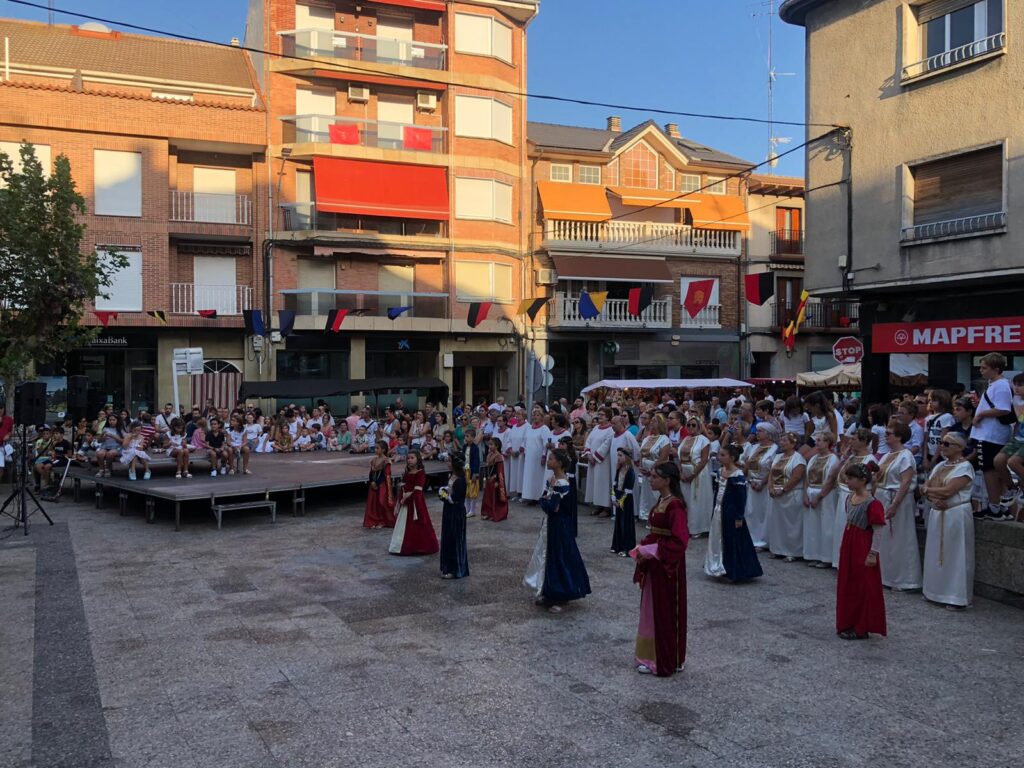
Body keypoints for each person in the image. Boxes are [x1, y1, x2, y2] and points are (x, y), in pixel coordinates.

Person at [633, 461, 689, 676]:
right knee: (652, 609)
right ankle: (651, 654)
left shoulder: (675, 505)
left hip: (667, 566)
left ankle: (665, 658)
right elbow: (658, 532)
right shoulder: (662, 501)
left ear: (667, 480)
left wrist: (653, 550)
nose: (651, 479)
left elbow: (680, 541)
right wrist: (643, 546)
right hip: (655, 563)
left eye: (655, 476)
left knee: (665, 610)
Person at [523, 449, 591, 613]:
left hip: (560, 525)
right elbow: (544, 501)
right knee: (547, 556)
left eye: (551, 459)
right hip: (550, 523)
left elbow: (552, 506)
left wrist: (547, 501)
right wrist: (546, 501)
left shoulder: (562, 483)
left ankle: (562, 595)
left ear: (559, 463)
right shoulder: (551, 480)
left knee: (560, 557)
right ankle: (548, 591)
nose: (548, 461)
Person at [920, 432, 975, 609]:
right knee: (935, 553)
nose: (942, 446)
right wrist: (932, 498)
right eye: (942, 443)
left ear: (959, 447)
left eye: (947, 444)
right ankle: (934, 591)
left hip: (956, 513)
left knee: (956, 555)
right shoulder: (940, 465)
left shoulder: (965, 467)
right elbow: (925, 485)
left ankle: (956, 597)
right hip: (938, 512)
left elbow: (948, 491)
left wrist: (927, 491)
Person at [835, 463, 887, 640]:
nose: (847, 481)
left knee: (862, 585)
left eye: (851, 478)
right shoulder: (850, 498)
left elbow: (878, 530)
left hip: (862, 545)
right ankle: (848, 621)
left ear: (863, 480)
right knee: (848, 582)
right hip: (849, 542)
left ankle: (861, 626)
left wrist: (873, 553)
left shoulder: (873, 503)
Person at [874, 422, 922, 591]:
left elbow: (906, 482)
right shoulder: (887, 456)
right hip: (883, 497)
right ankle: (886, 575)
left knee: (900, 537)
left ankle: (904, 579)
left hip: (898, 499)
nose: (886, 436)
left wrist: (895, 505)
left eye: (889, 433)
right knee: (884, 538)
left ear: (899, 437)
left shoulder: (906, 456)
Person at [705, 444, 762, 582]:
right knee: (718, 537)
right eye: (719, 454)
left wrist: (739, 516)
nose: (719, 457)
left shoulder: (738, 475)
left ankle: (735, 569)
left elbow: (741, 498)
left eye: (723, 455)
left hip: (731, 512)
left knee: (733, 539)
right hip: (719, 510)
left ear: (732, 458)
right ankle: (718, 565)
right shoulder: (720, 471)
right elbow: (717, 492)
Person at [971, 353, 1015, 519]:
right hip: (991, 433)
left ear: (996, 369)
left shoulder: (1001, 385)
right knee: (992, 470)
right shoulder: (996, 384)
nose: (981, 371)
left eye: (984, 368)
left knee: (989, 470)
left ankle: (994, 506)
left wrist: (981, 415)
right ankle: (1000, 506)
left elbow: (1003, 409)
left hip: (990, 434)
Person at [829, 428, 878, 568]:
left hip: (858, 497)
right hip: (843, 494)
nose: (850, 442)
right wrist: (844, 457)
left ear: (863, 441)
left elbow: (872, 483)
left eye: (853, 439)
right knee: (841, 528)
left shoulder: (870, 459)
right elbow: (835, 472)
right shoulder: (850, 458)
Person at [767, 432, 807, 562]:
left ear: (793, 444)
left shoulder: (798, 459)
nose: (781, 443)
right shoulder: (778, 457)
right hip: (776, 494)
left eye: (785, 441)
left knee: (791, 524)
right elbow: (771, 473)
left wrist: (784, 489)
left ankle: (792, 551)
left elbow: (796, 477)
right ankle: (777, 549)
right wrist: (770, 487)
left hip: (791, 494)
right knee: (777, 523)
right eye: (781, 440)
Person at [389, 450, 439, 556]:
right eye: (408, 458)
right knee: (404, 525)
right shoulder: (407, 472)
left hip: (416, 502)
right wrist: (401, 496)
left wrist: (407, 498)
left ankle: (418, 547)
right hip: (405, 502)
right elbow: (404, 485)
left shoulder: (420, 472)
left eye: (412, 458)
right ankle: (401, 546)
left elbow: (418, 490)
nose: (410, 460)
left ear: (418, 459)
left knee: (417, 524)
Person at [803, 433, 839, 568]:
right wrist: (806, 494)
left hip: (825, 495)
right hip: (811, 492)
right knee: (812, 526)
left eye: (819, 440)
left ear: (827, 442)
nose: (816, 442)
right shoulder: (813, 458)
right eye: (816, 440)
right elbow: (807, 477)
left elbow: (830, 480)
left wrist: (819, 497)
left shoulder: (833, 459)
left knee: (826, 525)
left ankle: (826, 557)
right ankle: (813, 554)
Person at [992, 372, 1024, 522]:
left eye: (1020, 385)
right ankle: (1012, 488)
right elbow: (1018, 421)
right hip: (1018, 438)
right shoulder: (1015, 400)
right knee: (998, 461)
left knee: (1013, 462)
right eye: (1015, 385)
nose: (1016, 388)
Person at [744, 423, 779, 550]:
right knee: (751, 512)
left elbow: (773, 468)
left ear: (768, 434)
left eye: (760, 431)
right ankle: (751, 538)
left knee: (764, 514)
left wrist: (762, 482)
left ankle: (763, 541)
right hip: (751, 483)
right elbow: (747, 465)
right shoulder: (754, 447)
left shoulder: (775, 449)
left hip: (764, 485)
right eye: (757, 431)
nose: (757, 433)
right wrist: (749, 479)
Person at [678, 416, 713, 536]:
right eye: (688, 425)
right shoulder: (685, 439)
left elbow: (704, 460)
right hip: (684, 474)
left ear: (699, 427)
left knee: (696, 501)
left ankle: (697, 528)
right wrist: (681, 473)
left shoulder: (704, 440)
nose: (690, 427)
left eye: (693, 425)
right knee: (686, 500)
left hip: (698, 474)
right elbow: (679, 458)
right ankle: (685, 526)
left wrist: (693, 475)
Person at [439, 452, 469, 579]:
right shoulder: (452, 475)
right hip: (449, 510)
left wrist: (445, 496)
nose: (448, 463)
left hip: (456, 512)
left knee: (454, 539)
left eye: (449, 461)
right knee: (447, 537)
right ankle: (447, 566)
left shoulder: (461, 480)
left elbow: (456, 497)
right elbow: (449, 490)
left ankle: (455, 569)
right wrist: (443, 492)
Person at [637, 414, 671, 523]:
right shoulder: (647, 438)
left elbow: (663, 457)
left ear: (660, 424)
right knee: (646, 494)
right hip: (645, 471)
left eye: (654, 421)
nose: (651, 423)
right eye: (651, 420)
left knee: (655, 495)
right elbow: (641, 454)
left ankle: (657, 517)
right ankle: (646, 515)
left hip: (657, 471)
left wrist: (652, 470)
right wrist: (641, 467)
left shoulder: (664, 439)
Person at [583, 408, 615, 515]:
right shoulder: (596, 428)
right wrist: (588, 453)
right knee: (595, 483)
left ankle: (606, 508)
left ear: (608, 417)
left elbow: (606, 445)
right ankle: (598, 505)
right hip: (592, 460)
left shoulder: (610, 430)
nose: (599, 416)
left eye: (602, 415)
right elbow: (589, 440)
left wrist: (595, 457)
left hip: (603, 462)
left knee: (603, 483)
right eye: (599, 414)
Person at [521, 410, 551, 503]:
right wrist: (523, 449)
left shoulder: (544, 429)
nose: (535, 417)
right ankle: (529, 496)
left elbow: (546, 444)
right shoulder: (529, 428)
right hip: (529, 456)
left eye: (538, 415)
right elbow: (525, 440)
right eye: (534, 415)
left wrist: (544, 455)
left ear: (542, 417)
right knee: (529, 476)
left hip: (538, 456)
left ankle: (538, 497)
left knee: (538, 477)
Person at [611, 447, 637, 556]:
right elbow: (615, 483)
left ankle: (627, 548)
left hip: (626, 499)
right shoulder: (619, 469)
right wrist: (613, 496)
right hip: (618, 496)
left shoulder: (630, 471)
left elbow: (628, 489)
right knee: (618, 522)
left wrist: (620, 501)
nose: (618, 457)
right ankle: (617, 545)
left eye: (620, 455)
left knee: (625, 523)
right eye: (618, 455)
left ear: (627, 457)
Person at [364, 442, 395, 529]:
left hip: (382, 485)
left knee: (382, 502)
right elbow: (371, 472)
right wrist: (371, 482)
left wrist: (377, 483)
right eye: (375, 448)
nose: (375, 450)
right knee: (373, 504)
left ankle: (383, 521)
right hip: (373, 485)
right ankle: (374, 520)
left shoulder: (386, 461)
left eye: (377, 448)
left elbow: (386, 474)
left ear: (383, 450)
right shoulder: (374, 460)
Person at [481, 436, 509, 523]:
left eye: (491, 444)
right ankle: (488, 513)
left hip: (495, 480)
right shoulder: (489, 455)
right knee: (487, 497)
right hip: (489, 479)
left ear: (497, 446)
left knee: (495, 498)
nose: (489, 446)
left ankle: (495, 514)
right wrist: (485, 478)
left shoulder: (499, 456)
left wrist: (497, 481)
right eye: (489, 444)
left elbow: (499, 470)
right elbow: (486, 468)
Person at [94, 414, 124, 478]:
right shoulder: (105, 428)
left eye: (113, 420)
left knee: (110, 453)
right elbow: (99, 441)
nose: (111, 421)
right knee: (100, 454)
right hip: (105, 446)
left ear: (117, 420)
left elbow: (123, 441)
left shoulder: (120, 429)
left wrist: (113, 436)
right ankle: (101, 469)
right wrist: (102, 437)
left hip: (117, 447)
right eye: (110, 420)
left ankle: (107, 469)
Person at [463, 427, 483, 519]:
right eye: (465, 436)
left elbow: (476, 461)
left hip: (472, 472)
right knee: (466, 491)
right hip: (465, 471)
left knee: (472, 491)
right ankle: (466, 509)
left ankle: (472, 510)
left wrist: (475, 473)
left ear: (473, 437)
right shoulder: (464, 447)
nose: (465, 438)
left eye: (467, 436)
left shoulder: (475, 448)